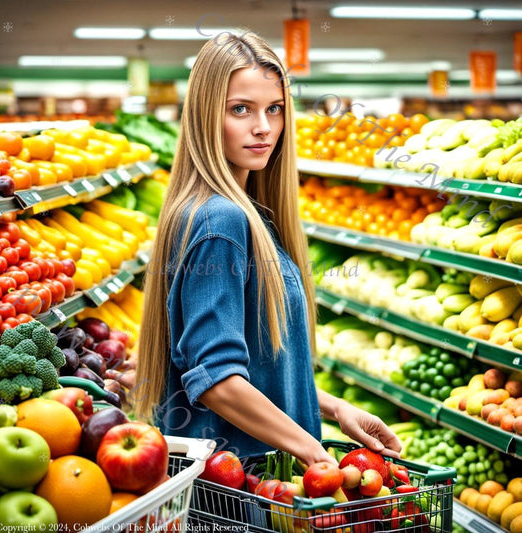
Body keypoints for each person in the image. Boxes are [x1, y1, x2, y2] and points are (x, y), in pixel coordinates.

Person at [135, 30, 401, 465]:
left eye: (274, 109)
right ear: (204, 116)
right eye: (241, 109)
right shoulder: (220, 219)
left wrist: (334, 410)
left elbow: (258, 369)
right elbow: (217, 380)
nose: (263, 127)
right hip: (240, 490)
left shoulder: (247, 214)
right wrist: (313, 452)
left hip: (246, 480)